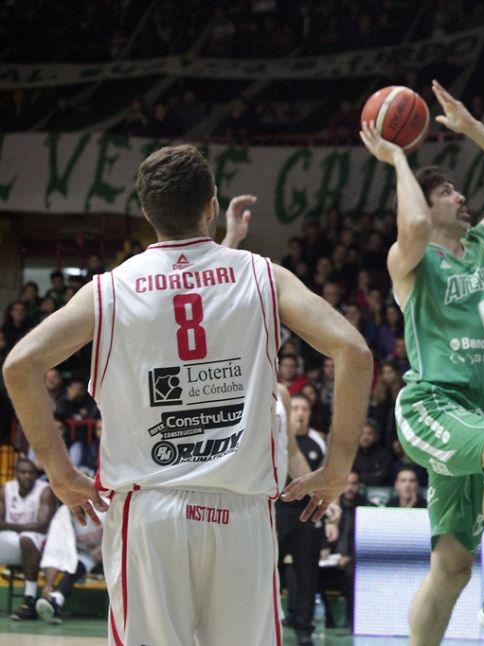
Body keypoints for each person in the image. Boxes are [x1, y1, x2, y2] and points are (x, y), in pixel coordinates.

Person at [2, 145, 373, 644]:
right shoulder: (263, 277)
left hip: (148, 511)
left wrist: (61, 473)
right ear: (211, 206)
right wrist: (337, 466)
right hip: (241, 512)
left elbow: (20, 365)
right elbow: (354, 351)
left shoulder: (110, 290)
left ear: (147, 213)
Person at [361, 81, 484, 645]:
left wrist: (471, 127)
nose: (460, 196)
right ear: (426, 204)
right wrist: (398, 158)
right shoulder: (410, 260)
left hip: (470, 414)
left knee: (449, 567)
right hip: (430, 405)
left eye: (455, 188)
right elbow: (414, 226)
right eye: (446, 192)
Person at [276, 392, 326, 646]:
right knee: (269, 569)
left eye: (304, 408)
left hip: (307, 512)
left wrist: (330, 509)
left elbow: (328, 479)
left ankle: (304, 627)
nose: (299, 413)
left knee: (307, 572)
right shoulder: (277, 435)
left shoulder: (317, 442)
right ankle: (269, 620)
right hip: (278, 509)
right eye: (295, 408)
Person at [1, 459, 56, 620]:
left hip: (38, 543)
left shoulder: (45, 491)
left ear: (36, 475)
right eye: (23, 472)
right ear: (16, 474)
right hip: (12, 540)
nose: (27, 476)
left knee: (26, 538)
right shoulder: (6, 490)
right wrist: (23, 527)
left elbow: (42, 526)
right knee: (24, 537)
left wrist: (8, 525)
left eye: (31, 473)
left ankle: (29, 601)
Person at [35, 503, 107, 624]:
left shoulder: (99, 505)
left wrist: (102, 547)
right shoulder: (62, 514)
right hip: (86, 554)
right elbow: (54, 551)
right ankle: (56, 600)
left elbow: (119, 529)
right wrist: (49, 585)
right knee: (75, 566)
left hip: (111, 549)